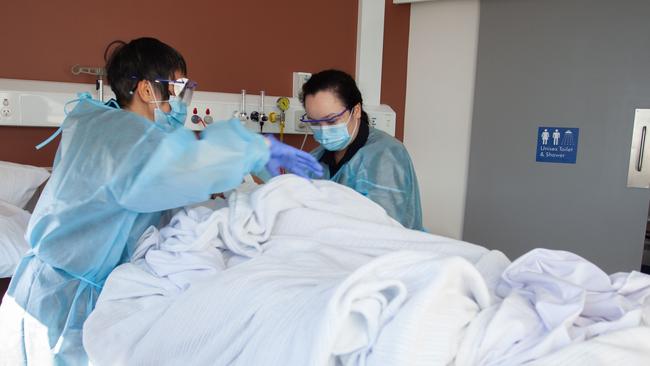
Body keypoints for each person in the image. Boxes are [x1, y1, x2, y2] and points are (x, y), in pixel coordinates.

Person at [0, 37, 322, 366]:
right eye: (179, 89)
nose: (182, 102)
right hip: (64, 307)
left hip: (47, 290)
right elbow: (178, 168)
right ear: (146, 90)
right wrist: (255, 149)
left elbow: (149, 188)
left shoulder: (95, 124)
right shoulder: (125, 138)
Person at [300, 69, 423, 230]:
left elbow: (384, 228)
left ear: (356, 110)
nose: (323, 130)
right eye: (315, 122)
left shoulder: (386, 156)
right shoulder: (315, 158)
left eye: (331, 120)